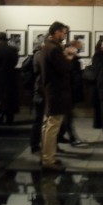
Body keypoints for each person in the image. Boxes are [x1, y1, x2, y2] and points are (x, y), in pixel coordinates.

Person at [40, 21, 75, 171]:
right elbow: (64, 68)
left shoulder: (46, 47)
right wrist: (69, 56)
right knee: (53, 126)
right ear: (55, 32)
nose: (64, 36)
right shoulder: (53, 49)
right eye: (63, 33)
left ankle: (47, 155)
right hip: (57, 92)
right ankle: (48, 160)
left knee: (47, 125)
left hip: (51, 90)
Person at [57, 40, 85, 146]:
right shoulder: (69, 60)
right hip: (68, 91)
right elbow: (71, 75)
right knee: (67, 116)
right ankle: (72, 138)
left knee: (67, 115)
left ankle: (60, 135)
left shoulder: (72, 59)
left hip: (70, 90)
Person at [0, 32, 19, 125]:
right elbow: (15, 62)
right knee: (10, 98)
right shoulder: (13, 49)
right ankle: (10, 119)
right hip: (11, 75)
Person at [29, 37, 46, 154]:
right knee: (39, 120)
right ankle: (35, 145)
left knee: (41, 120)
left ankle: (43, 144)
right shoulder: (40, 55)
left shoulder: (38, 55)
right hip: (41, 92)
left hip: (40, 91)